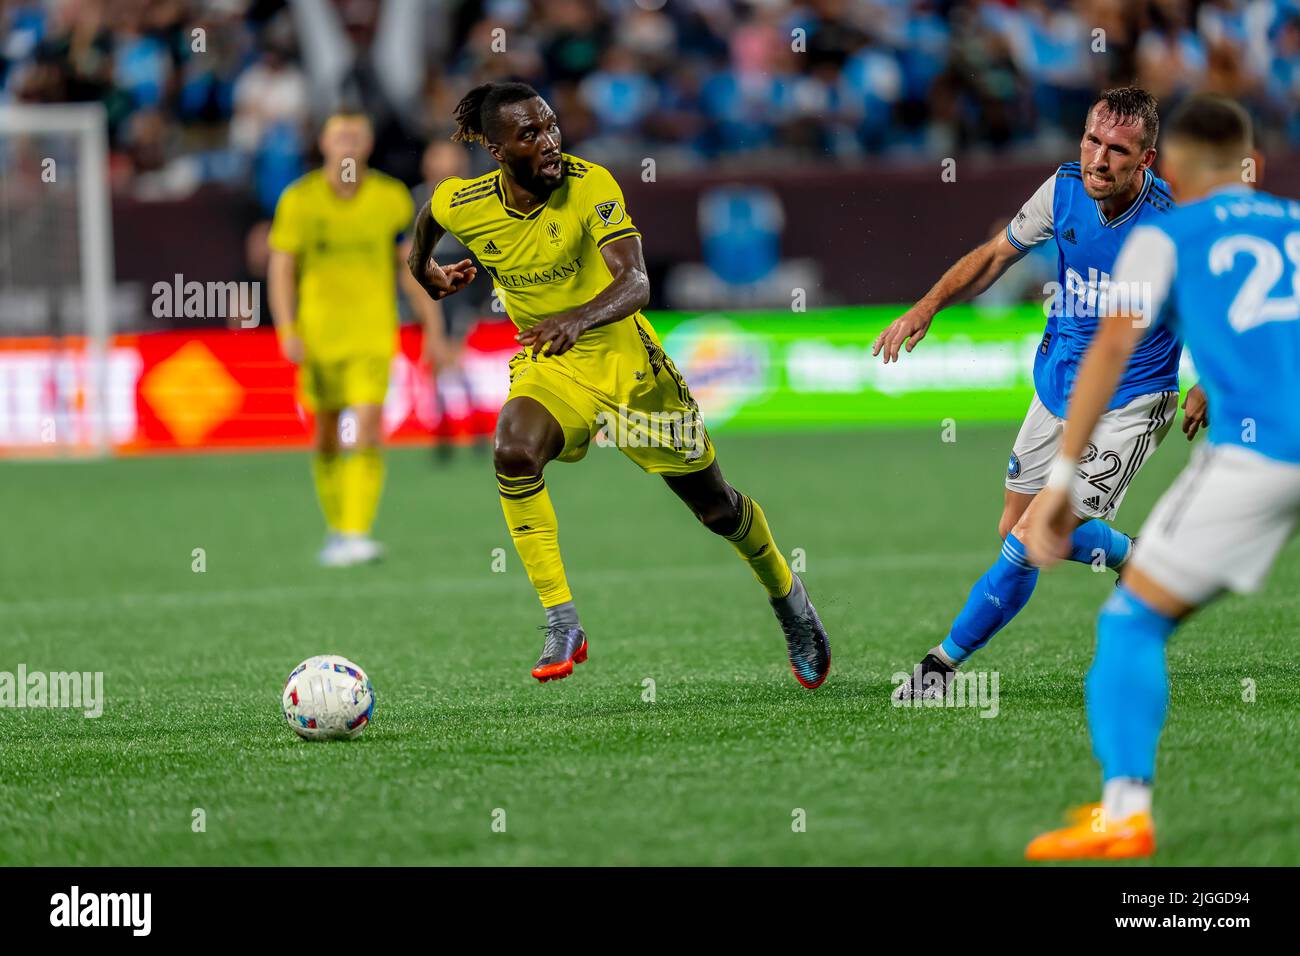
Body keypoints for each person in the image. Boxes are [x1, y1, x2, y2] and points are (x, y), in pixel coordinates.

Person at [406, 81, 831, 686]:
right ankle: (561, 618)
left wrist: (575, 318)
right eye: (530, 134)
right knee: (513, 449)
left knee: (715, 508)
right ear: (498, 150)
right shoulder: (464, 200)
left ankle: (789, 599)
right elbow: (427, 221)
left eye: (552, 126)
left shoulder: (590, 184)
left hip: (631, 371)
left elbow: (636, 283)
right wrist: (426, 272)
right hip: (553, 368)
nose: (550, 142)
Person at [1023, 94, 1299, 859]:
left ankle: (1125, 812)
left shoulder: (1166, 234)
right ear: (1256, 167)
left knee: (1133, 622)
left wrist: (1064, 480)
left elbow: (1111, 351)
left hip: (1263, 455)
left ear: (1167, 167)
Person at [876, 88, 1207, 700]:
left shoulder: (1172, 228)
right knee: (1015, 526)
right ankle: (1140, 558)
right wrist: (927, 307)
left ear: (1147, 160)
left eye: (1117, 150)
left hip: (1130, 400)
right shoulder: (1062, 191)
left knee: (1033, 537)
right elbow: (997, 255)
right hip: (1057, 387)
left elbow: (1217, 313)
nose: (1098, 160)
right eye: (1091, 141)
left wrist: (1207, 384)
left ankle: (938, 670)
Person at [268, 111, 444, 566]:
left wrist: (433, 325)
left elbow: (411, 265)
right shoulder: (299, 200)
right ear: (324, 145)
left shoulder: (390, 198)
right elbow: (282, 268)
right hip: (318, 336)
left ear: (367, 146)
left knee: (367, 427)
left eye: (356, 136)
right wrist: (286, 328)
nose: (347, 144)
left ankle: (356, 531)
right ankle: (337, 529)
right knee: (326, 435)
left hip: (371, 333)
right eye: (339, 136)